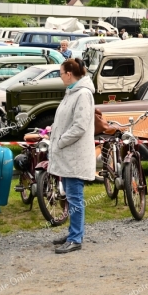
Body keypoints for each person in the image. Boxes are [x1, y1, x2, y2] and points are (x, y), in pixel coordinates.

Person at [49, 58, 96, 254]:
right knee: (71, 196)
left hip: (74, 155)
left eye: (60, 73)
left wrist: (60, 141)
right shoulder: (72, 92)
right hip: (68, 156)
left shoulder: (82, 94)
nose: (60, 77)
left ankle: (76, 238)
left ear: (69, 73)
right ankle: (73, 233)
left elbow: (79, 126)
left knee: (75, 198)